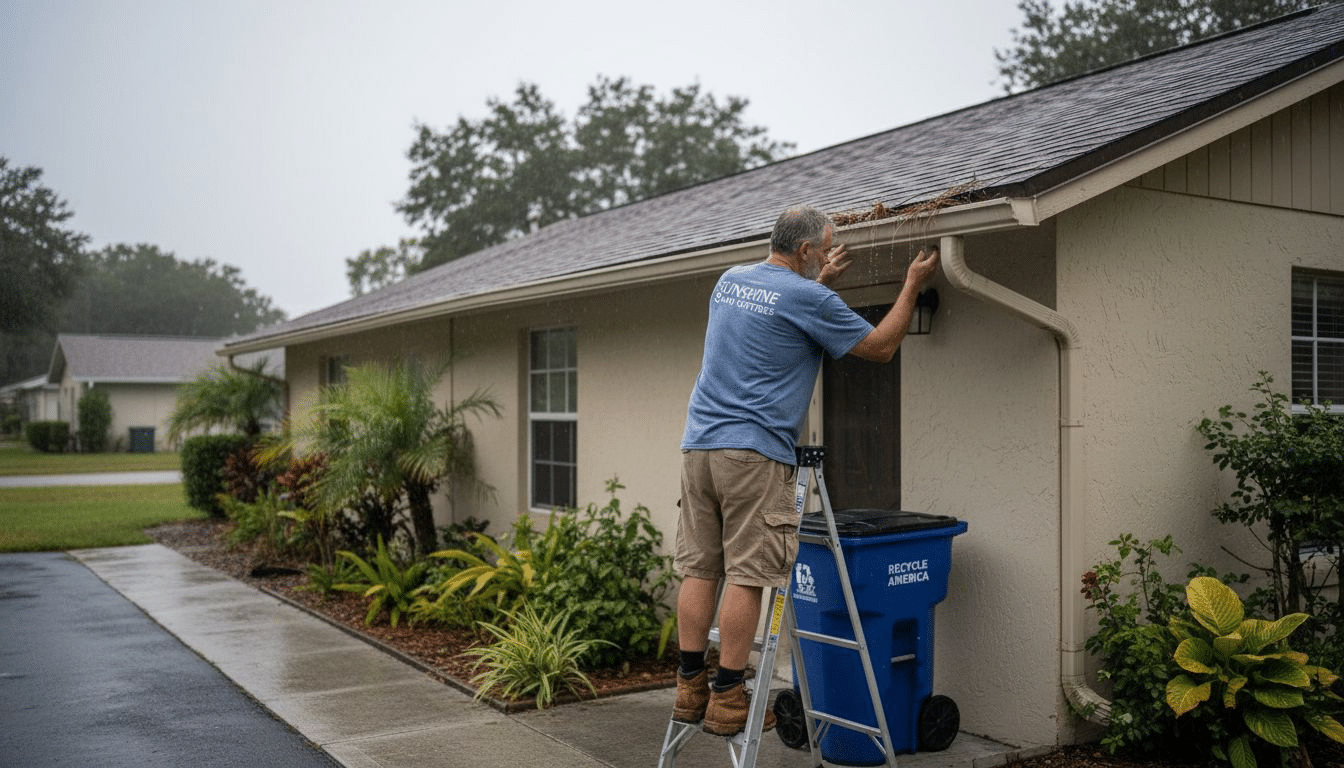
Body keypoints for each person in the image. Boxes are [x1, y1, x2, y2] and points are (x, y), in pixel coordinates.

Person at [672, 204, 940, 736]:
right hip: (752, 455)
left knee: (700, 568)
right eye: (823, 246)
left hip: (698, 447)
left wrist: (817, 281)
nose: (826, 253)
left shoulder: (730, 280)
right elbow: (881, 347)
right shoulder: (809, 297)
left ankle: (688, 688)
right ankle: (728, 699)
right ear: (805, 251)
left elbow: (772, 310)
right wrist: (910, 284)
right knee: (748, 574)